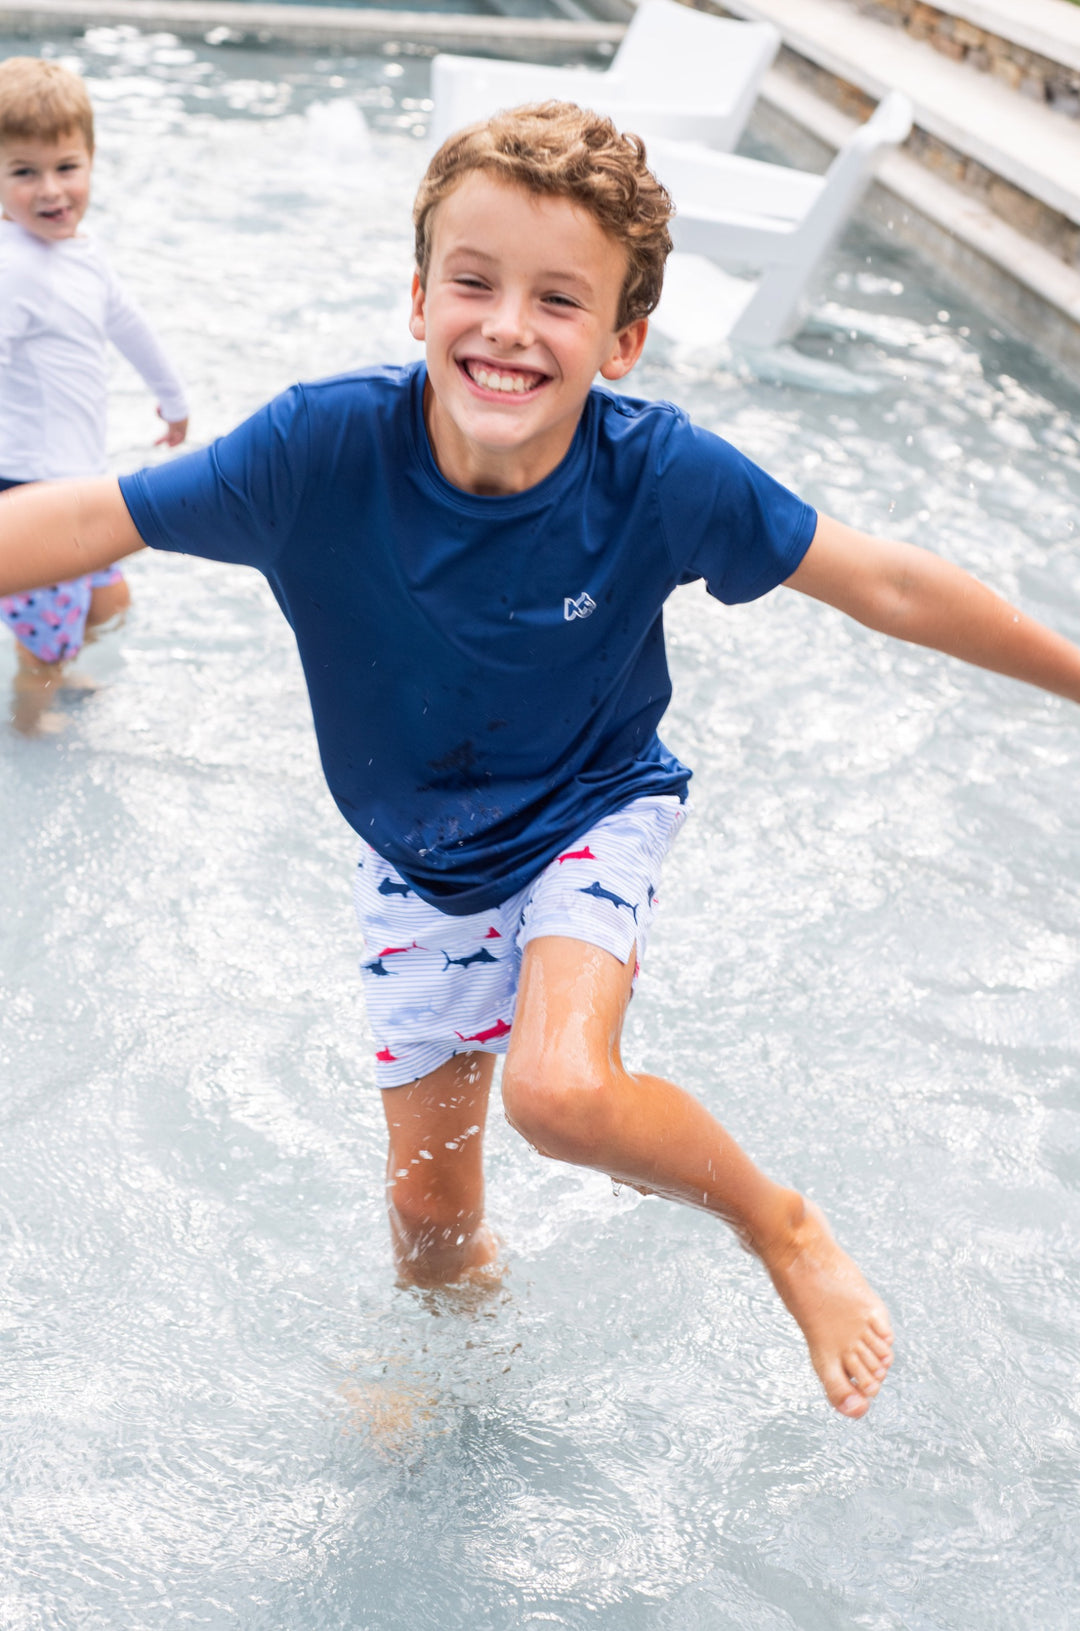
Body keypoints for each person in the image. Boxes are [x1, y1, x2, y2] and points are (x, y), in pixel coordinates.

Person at [3, 102, 1080, 1419]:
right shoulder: (317, 452)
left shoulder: (660, 477)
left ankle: (781, 1223)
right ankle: (473, 1385)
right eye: (475, 281)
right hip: (419, 853)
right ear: (417, 298)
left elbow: (887, 584)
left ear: (623, 340)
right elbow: (82, 516)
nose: (509, 324)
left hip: (593, 803)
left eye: (559, 300)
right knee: (428, 1220)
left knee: (560, 1089)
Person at [0, 56, 187, 731]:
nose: (51, 190)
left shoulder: (82, 251)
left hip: (77, 483)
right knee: (43, 637)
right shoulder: (13, 269)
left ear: (91, 160)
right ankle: (27, 721)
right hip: (26, 489)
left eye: (66, 167)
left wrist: (173, 399)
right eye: (24, 172)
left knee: (108, 604)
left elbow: (127, 322)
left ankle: (50, 669)